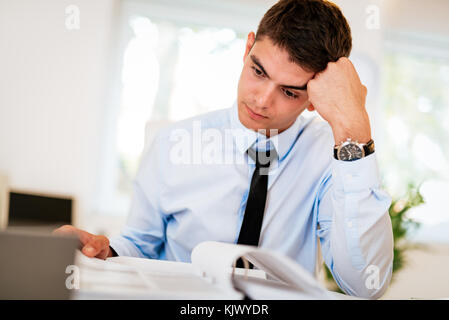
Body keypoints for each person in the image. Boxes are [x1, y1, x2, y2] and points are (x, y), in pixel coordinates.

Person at [54, 0, 394, 298]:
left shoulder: (333, 156)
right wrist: (104, 251)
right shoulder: (172, 144)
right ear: (247, 49)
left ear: (314, 98)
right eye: (258, 71)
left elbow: (365, 284)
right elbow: (140, 245)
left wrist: (354, 130)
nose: (262, 100)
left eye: (290, 92)